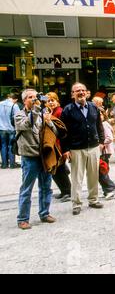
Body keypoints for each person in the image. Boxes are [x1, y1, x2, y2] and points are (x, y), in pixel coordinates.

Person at [15, 89, 57, 229]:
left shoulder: (41, 114)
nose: (34, 99)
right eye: (30, 97)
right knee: (26, 189)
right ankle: (22, 219)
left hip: (43, 156)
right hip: (29, 157)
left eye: (35, 97)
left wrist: (49, 122)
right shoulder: (19, 115)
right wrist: (37, 108)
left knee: (46, 186)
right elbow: (27, 124)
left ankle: (44, 213)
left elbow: (54, 132)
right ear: (24, 100)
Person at [61, 83, 105, 216]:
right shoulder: (67, 110)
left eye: (82, 90)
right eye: (77, 91)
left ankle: (93, 199)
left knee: (93, 175)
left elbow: (99, 125)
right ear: (72, 94)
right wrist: (65, 149)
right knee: (77, 178)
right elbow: (63, 132)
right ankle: (76, 203)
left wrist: (101, 142)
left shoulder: (93, 107)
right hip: (76, 148)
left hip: (93, 147)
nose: (80, 92)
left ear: (87, 92)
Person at [46, 92, 71, 202]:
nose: (51, 102)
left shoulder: (59, 112)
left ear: (57, 101)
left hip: (59, 145)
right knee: (55, 169)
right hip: (53, 145)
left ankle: (68, 192)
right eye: (48, 101)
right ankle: (63, 191)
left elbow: (63, 131)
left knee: (60, 169)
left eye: (53, 100)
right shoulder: (50, 112)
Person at [99, 110, 115, 200]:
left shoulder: (104, 124)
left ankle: (109, 189)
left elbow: (110, 138)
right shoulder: (100, 124)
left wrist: (100, 143)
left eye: (101, 114)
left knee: (102, 170)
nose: (99, 116)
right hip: (103, 151)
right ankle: (106, 191)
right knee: (102, 170)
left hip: (105, 152)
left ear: (104, 115)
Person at [0, 93, 20, 169]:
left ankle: (4, 165)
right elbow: (18, 117)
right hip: (11, 128)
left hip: (1, 128)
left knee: (3, 145)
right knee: (11, 145)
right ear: (15, 99)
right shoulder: (14, 105)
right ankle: (12, 164)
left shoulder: (0, 104)